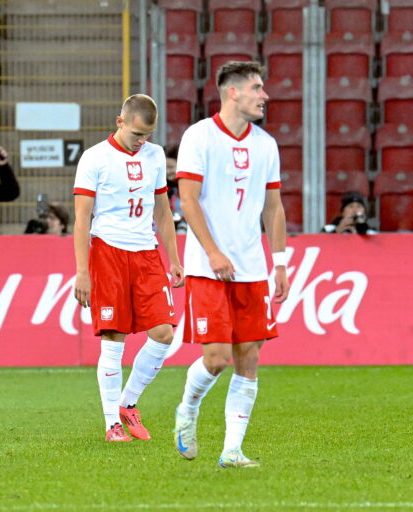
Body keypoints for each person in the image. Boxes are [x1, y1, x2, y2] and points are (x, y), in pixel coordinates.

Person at [173, 61, 290, 468]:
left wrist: (280, 263)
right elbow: (188, 199)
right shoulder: (199, 136)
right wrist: (213, 252)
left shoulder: (266, 144)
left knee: (249, 357)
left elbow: (273, 209)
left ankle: (232, 450)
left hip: (252, 269)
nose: (264, 95)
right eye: (257, 88)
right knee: (217, 358)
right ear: (233, 92)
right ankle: (187, 408)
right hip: (208, 268)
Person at [73, 94, 185, 442]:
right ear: (120, 122)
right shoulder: (95, 158)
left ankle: (128, 402)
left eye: (147, 135)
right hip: (107, 252)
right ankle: (112, 425)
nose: (142, 141)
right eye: (137, 134)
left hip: (146, 253)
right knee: (113, 338)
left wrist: (174, 258)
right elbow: (81, 219)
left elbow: (162, 212)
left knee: (164, 333)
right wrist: (82, 271)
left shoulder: (153, 155)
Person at [164, 145, 186, 233]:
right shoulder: (162, 186)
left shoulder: (188, 187)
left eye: (171, 167)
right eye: (164, 167)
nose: (167, 172)